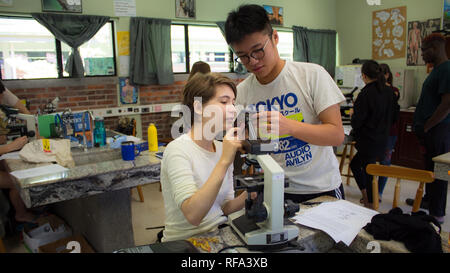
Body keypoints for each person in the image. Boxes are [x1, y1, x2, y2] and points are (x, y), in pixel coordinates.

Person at [224, 4, 346, 203]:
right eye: (243, 57)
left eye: (258, 51)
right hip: (276, 188)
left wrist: (289, 126)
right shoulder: (243, 92)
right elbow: (244, 140)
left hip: (322, 189)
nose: (253, 61)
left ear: (275, 38)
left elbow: (336, 135)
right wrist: (242, 141)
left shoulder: (311, 75)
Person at [160, 72, 249, 242]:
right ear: (199, 107)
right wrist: (224, 161)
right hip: (185, 241)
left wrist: (250, 195)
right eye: (224, 102)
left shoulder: (222, 147)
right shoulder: (177, 150)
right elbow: (193, 215)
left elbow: (224, 207)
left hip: (220, 233)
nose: (233, 109)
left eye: (233, 103)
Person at [410, 33, 450, 224]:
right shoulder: (435, 70)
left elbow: (447, 104)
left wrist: (427, 127)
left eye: (423, 50)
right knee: (430, 171)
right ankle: (429, 201)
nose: (422, 55)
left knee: (440, 173)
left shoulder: (447, 69)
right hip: (431, 131)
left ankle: (437, 213)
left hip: (439, 131)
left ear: (434, 48)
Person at [349, 60, 395, 209]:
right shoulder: (389, 91)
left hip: (368, 140)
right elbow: (395, 117)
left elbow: (357, 122)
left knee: (367, 170)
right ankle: (368, 196)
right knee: (361, 166)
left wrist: (352, 114)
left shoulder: (365, 93)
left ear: (364, 76)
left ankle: (370, 202)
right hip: (383, 138)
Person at [377, 63, 400, 199]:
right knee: (370, 162)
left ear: (388, 75)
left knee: (385, 162)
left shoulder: (393, 90)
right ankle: (371, 190)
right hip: (376, 132)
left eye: (384, 73)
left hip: (389, 132)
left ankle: (379, 192)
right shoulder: (374, 90)